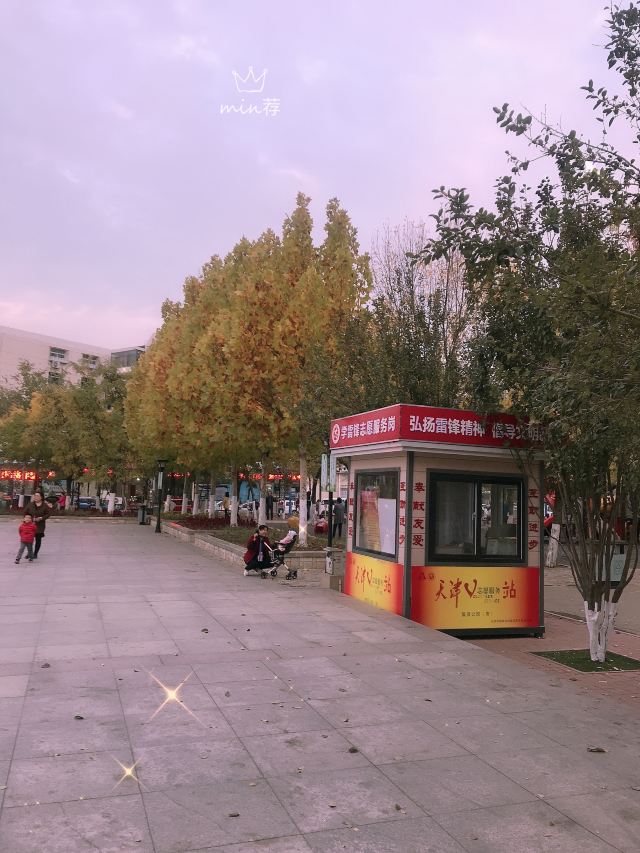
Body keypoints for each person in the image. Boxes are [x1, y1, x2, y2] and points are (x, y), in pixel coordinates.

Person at [25, 490, 51, 560]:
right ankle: (29, 552)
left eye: (37, 496)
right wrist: (29, 519)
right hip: (30, 524)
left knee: (38, 540)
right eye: (35, 496)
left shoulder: (45, 505)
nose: (35, 497)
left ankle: (35, 553)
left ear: (41, 497)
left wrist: (41, 518)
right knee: (29, 540)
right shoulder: (30, 504)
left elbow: (48, 514)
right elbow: (25, 513)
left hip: (40, 525)